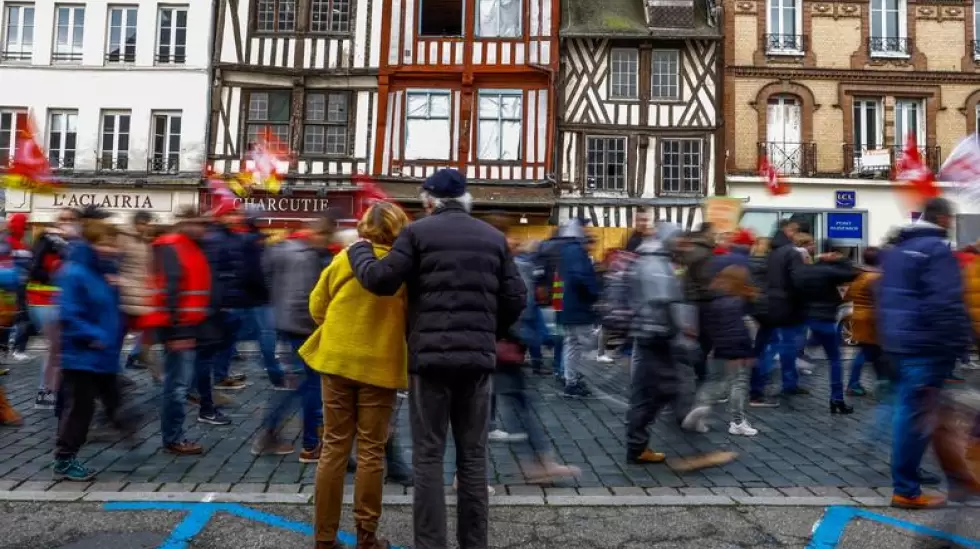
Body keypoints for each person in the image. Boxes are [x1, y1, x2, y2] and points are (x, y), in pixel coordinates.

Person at [345, 169, 526, 549]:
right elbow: (515, 298)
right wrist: (487, 333)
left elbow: (381, 280)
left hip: (429, 362)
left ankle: (431, 543)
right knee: (473, 457)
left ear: (429, 201)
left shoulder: (416, 233)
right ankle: (473, 543)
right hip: (476, 362)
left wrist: (360, 250)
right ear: (466, 198)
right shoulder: (493, 238)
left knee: (428, 455)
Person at [302, 203, 408, 549]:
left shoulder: (345, 258)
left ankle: (324, 538)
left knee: (333, 447)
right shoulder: (402, 266)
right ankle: (366, 535)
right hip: (379, 364)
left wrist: (339, 329)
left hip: (337, 360)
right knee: (371, 451)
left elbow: (317, 305)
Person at [879, 197, 978, 508]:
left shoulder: (896, 252)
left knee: (924, 414)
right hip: (927, 344)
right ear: (944, 219)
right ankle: (906, 490)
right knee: (917, 417)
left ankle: (959, 481)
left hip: (899, 343)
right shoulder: (936, 251)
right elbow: (945, 302)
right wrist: (959, 343)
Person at [52, 207, 132, 481]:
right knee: (80, 409)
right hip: (83, 353)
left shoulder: (101, 272)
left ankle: (119, 423)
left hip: (103, 352)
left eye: (113, 244)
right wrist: (94, 335)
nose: (112, 249)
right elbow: (69, 313)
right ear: (93, 244)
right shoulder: (75, 272)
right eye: (106, 244)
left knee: (111, 398)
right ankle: (64, 459)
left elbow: (108, 308)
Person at [252, 214, 336, 461]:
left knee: (297, 384)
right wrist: (316, 324)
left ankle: (272, 433)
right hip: (302, 328)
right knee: (309, 386)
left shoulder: (286, 249)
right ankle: (310, 444)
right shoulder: (306, 257)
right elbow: (303, 298)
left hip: (285, 322)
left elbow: (268, 279)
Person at [144, 207, 211, 456]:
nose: (200, 228)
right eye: (195, 223)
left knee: (179, 384)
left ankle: (172, 435)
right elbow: (169, 286)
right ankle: (173, 438)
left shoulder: (187, 245)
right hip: (178, 327)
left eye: (202, 224)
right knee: (178, 386)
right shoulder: (173, 246)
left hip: (187, 324)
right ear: (183, 223)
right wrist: (173, 327)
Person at [795, 243, 859, 414]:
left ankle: (805, 355)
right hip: (826, 318)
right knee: (835, 360)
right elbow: (852, 273)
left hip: (810, 316)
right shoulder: (829, 271)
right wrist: (841, 260)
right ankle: (837, 398)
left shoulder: (809, 270)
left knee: (816, 340)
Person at [698, 265, 759, 436]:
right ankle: (737, 421)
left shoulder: (714, 300)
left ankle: (699, 409)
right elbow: (740, 329)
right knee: (738, 383)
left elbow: (709, 327)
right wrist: (746, 351)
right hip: (736, 349)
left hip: (717, 347)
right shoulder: (738, 302)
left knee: (716, 382)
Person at [30, 207, 79, 409]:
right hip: (44, 299)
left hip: (61, 299)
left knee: (59, 348)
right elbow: (35, 268)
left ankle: (55, 390)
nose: (66, 222)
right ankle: (47, 391)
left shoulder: (77, 244)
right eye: (63, 219)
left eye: (71, 219)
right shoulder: (48, 240)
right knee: (55, 348)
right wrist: (59, 275)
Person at [237, 208, 284, 388]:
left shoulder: (245, 240)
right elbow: (258, 272)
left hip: (248, 296)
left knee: (253, 334)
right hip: (261, 296)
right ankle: (274, 373)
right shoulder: (256, 243)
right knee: (267, 334)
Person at [554, 218, 600, 398]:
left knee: (572, 343)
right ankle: (572, 379)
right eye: (585, 227)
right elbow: (581, 276)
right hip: (578, 306)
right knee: (583, 343)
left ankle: (570, 379)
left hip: (569, 305)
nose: (587, 230)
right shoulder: (576, 251)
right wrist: (594, 293)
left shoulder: (566, 250)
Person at [764, 218, 808, 396]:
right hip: (789, 305)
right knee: (787, 345)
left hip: (773, 302)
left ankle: (760, 384)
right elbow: (798, 280)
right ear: (789, 230)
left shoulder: (772, 251)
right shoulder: (791, 252)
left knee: (772, 345)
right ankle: (787, 384)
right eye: (795, 231)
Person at [117, 211, 157, 372]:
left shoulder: (145, 241)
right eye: (144, 224)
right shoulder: (124, 238)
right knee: (119, 335)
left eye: (147, 224)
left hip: (140, 293)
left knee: (148, 331)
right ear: (137, 223)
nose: (146, 227)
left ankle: (136, 357)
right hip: (126, 294)